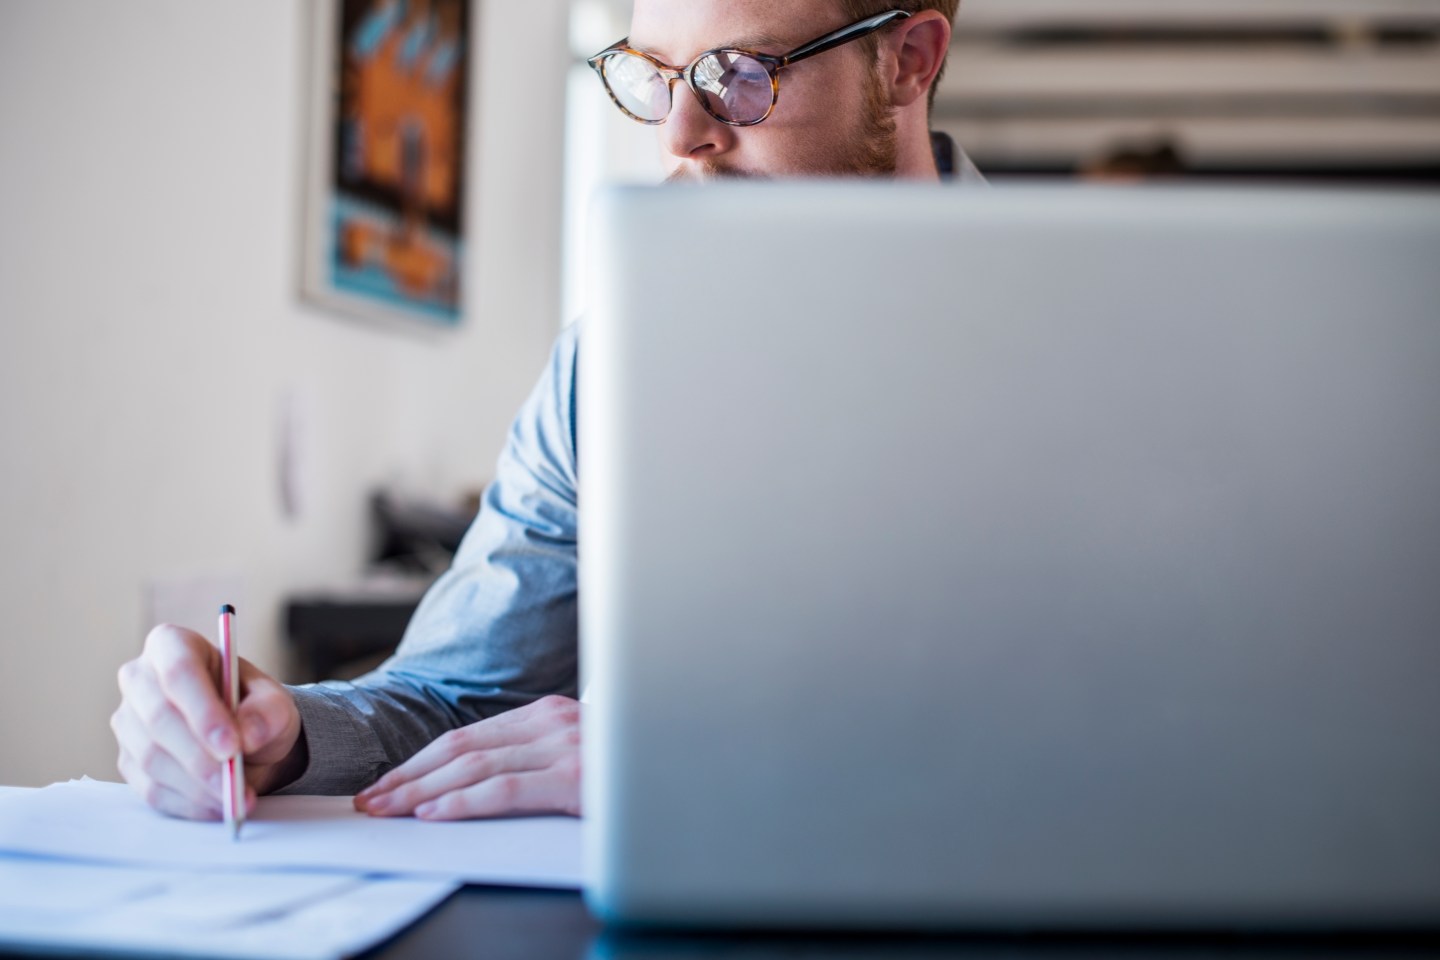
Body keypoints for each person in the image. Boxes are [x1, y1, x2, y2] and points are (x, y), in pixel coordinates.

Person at [111, 0, 983, 823]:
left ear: (908, 61)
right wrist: (278, 738)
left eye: (740, 76)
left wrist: (704, 762)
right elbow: (457, 693)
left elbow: (1103, 728)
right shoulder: (605, 365)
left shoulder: (1099, 340)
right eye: (659, 78)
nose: (680, 137)